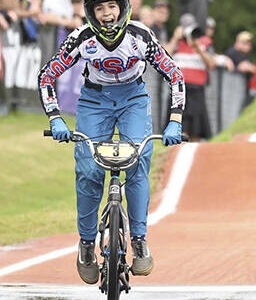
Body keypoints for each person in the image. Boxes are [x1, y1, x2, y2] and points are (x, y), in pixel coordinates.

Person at [38, 0, 185, 284]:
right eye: (99, 9)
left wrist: (175, 120)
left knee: (138, 161)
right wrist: (55, 117)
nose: (107, 14)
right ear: (91, 14)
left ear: (123, 8)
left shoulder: (141, 35)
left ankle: (139, 239)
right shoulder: (81, 38)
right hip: (95, 101)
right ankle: (86, 244)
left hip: (133, 99)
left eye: (112, 6)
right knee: (88, 170)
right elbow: (47, 75)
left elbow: (175, 75)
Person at [170, 13, 215, 141]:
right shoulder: (177, 42)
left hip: (197, 89)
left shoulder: (204, 41)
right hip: (179, 89)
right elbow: (163, 55)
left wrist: (198, 48)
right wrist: (174, 38)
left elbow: (211, 64)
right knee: (179, 125)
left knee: (196, 127)